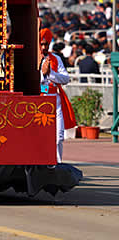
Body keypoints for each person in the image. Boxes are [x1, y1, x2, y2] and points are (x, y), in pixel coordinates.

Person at [39, 28, 76, 163]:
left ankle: (57, 165)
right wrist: (42, 73)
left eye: (46, 44)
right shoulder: (32, 59)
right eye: (41, 44)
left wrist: (50, 74)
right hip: (39, 101)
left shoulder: (56, 59)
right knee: (40, 136)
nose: (43, 47)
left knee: (58, 136)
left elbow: (65, 78)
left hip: (55, 100)